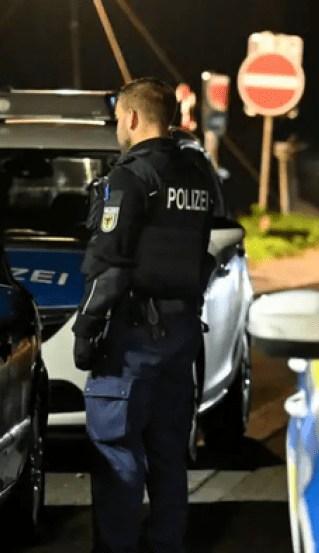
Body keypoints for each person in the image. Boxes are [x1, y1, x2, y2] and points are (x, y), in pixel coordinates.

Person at [71, 77, 215, 553]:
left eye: (118, 119)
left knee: (116, 451)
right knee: (168, 453)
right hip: (181, 333)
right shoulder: (196, 175)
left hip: (133, 337)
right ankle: (165, 545)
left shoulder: (131, 177)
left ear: (132, 117)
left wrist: (86, 330)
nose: (118, 128)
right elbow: (202, 254)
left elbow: (110, 266)